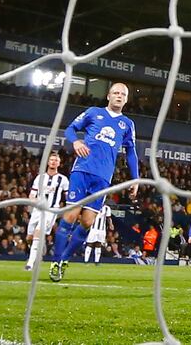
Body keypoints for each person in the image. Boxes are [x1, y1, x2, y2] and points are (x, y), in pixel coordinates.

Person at [50, 82, 139, 282]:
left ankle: (64, 259)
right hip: (82, 171)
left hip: (103, 178)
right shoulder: (93, 112)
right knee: (71, 216)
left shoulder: (127, 124)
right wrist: (76, 141)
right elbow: (71, 129)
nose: (118, 96)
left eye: (122, 94)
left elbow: (131, 153)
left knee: (88, 222)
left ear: (126, 99)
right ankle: (56, 261)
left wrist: (135, 179)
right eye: (115, 92)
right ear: (108, 96)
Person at [24, 149, 69, 271]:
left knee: (38, 232)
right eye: (52, 160)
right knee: (29, 237)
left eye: (56, 160)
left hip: (51, 210)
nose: (54, 162)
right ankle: (38, 248)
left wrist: (66, 209)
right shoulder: (40, 178)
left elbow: (68, 197)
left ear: (59, 164)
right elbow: (32, 194)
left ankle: (30, 263)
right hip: (37, 210)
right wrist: (33, 201)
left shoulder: (63, 180)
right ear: (48, 162)